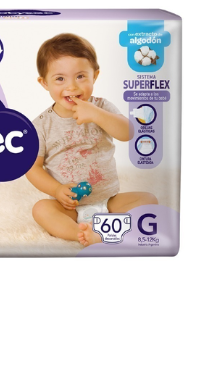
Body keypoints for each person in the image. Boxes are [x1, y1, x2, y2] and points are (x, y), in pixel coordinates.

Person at [26, 33, 157, 246]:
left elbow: (128, 132)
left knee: (149, 200)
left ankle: (107, 226)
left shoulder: (102, 107)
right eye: (60, 79)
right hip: (68, 207)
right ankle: (80, 233)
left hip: (109, 201)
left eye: (80, 76)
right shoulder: (40, 125)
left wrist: (97, 115)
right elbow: (33, 167)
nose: (72, 87)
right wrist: (57, 190)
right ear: (44, 83)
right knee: (41, 209)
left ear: (94, 76)